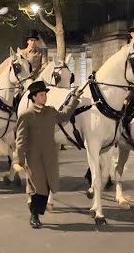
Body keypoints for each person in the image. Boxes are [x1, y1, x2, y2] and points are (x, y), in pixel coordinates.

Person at [15, 81, 83, 228]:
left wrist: (75, 99)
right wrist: (18, 160)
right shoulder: (26, 115)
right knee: (37, 186)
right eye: (41, 95)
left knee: (46, 186)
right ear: (33, 97)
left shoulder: (51, 111)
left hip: (50, 156)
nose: (44, 97)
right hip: (34, 157)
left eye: (45, 94)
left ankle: (36, 209)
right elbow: (20, 139)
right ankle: (35, 215)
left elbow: (64, 115)